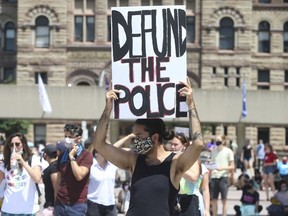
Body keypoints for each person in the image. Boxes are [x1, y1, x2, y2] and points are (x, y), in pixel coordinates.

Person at [92, 78, 204, 216]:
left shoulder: (174, 163)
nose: (136, 140)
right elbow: (99, 144)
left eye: (139, 136)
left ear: (155, 138)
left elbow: (198, 144)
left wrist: (191, 104)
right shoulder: (134, 159)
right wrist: (108, 109)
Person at [54, 124, 93, 216]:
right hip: (60, 204)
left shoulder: (86, 155)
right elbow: (58, 181)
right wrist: (55, 200)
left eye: (70, 137)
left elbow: (79, 176)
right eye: (65, 136)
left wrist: (71, 157)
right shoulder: (62, 156)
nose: (67, 139)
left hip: (77, 205)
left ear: (78, 139)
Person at [0, 132, 42, 215]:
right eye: (11, 145)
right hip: (8, 209)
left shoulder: (33, 159)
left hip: (28, 210)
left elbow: (37, 179)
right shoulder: (5, 162)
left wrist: (23, 162)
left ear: (23, 145)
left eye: (17, 144)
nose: (14, 147)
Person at [86, 148, 118, 216]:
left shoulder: (113, 165)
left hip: (111, 205)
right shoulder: (90, 165)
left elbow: (117, 148)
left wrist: (129, 137)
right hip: (94, 204)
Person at [209, 134, 234, 216]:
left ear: (223, 141)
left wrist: (223, 168)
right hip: (214, 177)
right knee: (214, 200)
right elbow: (211, 163)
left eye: (218, 140)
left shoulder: (228, 151)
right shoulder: (213, 151)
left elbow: (232, 166)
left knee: (224, 199)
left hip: (223, 177)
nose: (217, 141)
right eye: (216, 140)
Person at [42, 144, 58, 216]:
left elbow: (56, 188)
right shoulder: (55, 166)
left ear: (45, 154)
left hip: (52, 207)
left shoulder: (53, 168)